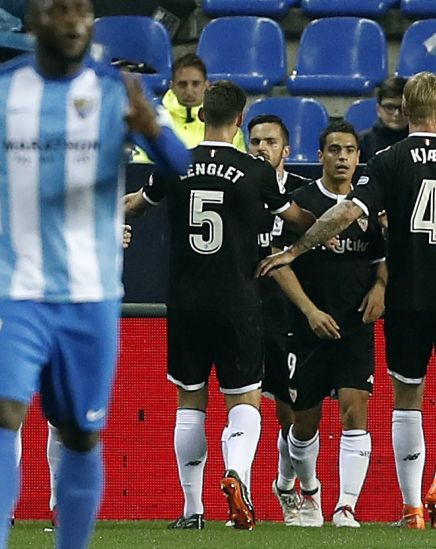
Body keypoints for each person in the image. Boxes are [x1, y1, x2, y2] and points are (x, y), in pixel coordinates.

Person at [0, 0, 189, 549]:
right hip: (11, 286)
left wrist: (154, 133)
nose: (75, 20)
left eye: (83, 10)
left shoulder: (119, 90)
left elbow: (179, 170)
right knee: (1, 411)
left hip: (91, 291)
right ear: (34, 23)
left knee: (79, 434)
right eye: (60, 10)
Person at [258, 72, 436, 530]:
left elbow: (344, 213)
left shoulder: (387, 160)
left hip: (407, 298)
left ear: (405, 108)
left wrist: (297, 249)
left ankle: (413, 507)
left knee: (408, 402)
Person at [126, 81, 314, 531]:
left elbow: (137, 205)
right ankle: (237, 476)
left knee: (190, 400)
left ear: (202, 115)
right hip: (239, 299)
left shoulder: (174, 162)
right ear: (240, 119)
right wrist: (325, 221)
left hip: (185, 300)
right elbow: (296, 218)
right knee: (244, 398)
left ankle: (192, 510)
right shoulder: (255, 171)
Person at [271, 120, 387, 528]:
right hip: (306, 328)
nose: (342, 157)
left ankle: (345, 507)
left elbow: (381, 259)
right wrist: (309, 311)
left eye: (350, 150)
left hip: (355, 324)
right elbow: (279, 264)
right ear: (320, 156)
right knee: (304, 423)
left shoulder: (369, 204)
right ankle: (304, 489)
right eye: (334, 150)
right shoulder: (299, 203)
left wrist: (380, 288)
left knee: (356, 411)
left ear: (359, 156)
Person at [244, 113, 314, 526]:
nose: (260, 148)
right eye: (254, 141)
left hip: (295, 308)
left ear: (286, 151)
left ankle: (288, 483)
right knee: (267, 403)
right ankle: (280, 488)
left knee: (297, 405)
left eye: (270, 141)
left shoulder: (303, 197)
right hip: (254, 307)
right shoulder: (238, 191)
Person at [131, 54, 246, 162]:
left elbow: (238, 161)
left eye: (195, 84)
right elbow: (142, 162)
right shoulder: (154, 117)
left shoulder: (225, 118)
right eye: (183, 84)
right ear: (172, 86)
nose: (189, 91)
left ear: (207, 85)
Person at [357, 76, 408, 162]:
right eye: (389, 107)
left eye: (403, 107)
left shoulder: (422, 143)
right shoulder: (361, 143)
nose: (397, 114)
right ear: (378, 110)